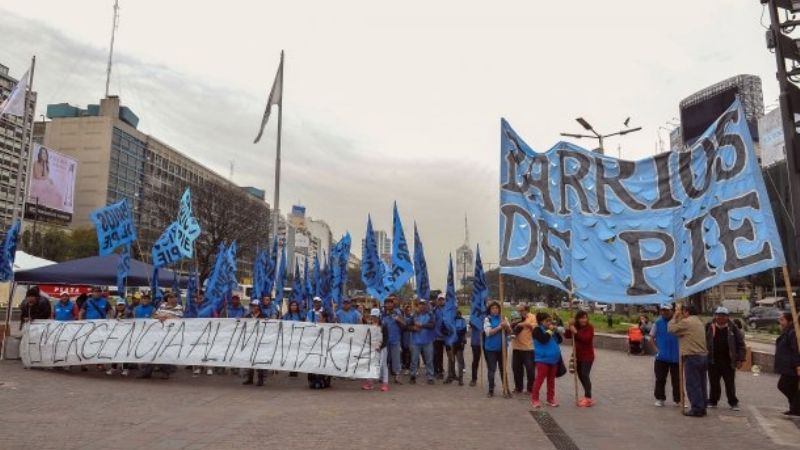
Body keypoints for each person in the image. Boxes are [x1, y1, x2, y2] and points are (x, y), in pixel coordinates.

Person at [668, 303, 708, 417]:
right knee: (701, 384)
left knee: (693, 384)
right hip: (702, 356)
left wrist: (674, 317)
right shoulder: (699, 321)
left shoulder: (687, 322)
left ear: (687, 312)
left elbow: (671, 329)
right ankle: (702, 406)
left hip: (692, 356)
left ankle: (697, 408)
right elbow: (680, 333)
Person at [705, 306, 745, 411]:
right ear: (715, 316)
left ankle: (733, 402)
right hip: (713, 360)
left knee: (730, 383)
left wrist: (740, 359)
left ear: (727, 317)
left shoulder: (733, 328)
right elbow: (703, 341)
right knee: (714, 383)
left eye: (723, 316)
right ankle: (713, 401)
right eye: (718, 315)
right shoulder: (709, 326)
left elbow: (741, 345)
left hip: (728, 361)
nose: (720, 318)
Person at [137, 292, 183, 379]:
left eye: (173, 297)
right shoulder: (162, 305)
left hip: (169, 333)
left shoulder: (179, 307)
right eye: (169, 297)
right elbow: (154, 315)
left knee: (164, 353)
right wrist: (161, 317)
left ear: (176, 298)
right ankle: (146, 372)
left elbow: (178, 318)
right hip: (157, 332)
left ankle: (165, 372)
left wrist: (166, 317)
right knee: (151, 351)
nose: (171, 299)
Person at [650, 304, 680, 407]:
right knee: (660, 378)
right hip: (661, 357)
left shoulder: (678, 321)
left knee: (677, 379)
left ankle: (678, 400)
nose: (664, 312)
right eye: (662, 310)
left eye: (666, 310)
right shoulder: (657, 322)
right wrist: (656, 350)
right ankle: (660, 398)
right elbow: (651, 337)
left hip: (676, 356)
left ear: (671, 310)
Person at [531, 311, 563, 408]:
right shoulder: (537, 330)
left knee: (551, 380)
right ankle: (535, 399)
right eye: (547, 321)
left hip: (553, 359)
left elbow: (560, 340)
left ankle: (550, 399)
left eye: (550, 321)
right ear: (541, 321)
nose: (549, 323)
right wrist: (550, 331)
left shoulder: (550, 330)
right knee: (539, 380)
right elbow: (543, 340)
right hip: (542, 359)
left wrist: (556, 331)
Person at [565, 310, 595, 407]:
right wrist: (569, 326)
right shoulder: (576, 327)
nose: (584, 320)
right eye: (582, 318)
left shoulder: (589, 328)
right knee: (580, 375)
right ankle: (586, 396)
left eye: (585, 318)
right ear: (577, 319)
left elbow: (586, 339)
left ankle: (588, 398)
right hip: (578, 356)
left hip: (588, 356)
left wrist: (575, 332)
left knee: (585, 375)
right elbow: (567, 335)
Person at [483, 301, 512, 397]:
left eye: (496, 308)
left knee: (503, 369)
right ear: (490, 310)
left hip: (502, 348)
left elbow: (509, 332)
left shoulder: (503, 318)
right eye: (493, 308)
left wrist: (506, 326)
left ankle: (506, 388)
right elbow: (488, 332)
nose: (495, 310)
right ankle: (491, 390)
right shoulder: (488, 319)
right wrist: (500, 327)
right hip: (491, 349)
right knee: (492, 369)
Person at [775, 312, 799, 417]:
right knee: (791, 388)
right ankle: (794, 409)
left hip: (791, 367)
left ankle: (796, 407)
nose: (779, 322)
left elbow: (795, 351)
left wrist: (798, 365)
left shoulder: (793, 333)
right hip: (787, 366)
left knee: (783, 386)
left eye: (782, 320)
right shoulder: (787, 331)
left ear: (789, 321)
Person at [510, 304, 537, 394]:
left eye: (521, 310)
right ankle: (518, 387)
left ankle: (530, 388)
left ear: (526, 310)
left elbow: (536, 327)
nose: (519, 312)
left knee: (530, 369)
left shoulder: (532, 317)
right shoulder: (516, 318)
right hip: (516, 347)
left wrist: (526, 323)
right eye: (518, 310)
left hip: (528, 348)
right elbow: (511, 328)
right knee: (516, 368)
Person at [363, 308, 391, 392]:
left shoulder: (384, 326)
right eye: (373, 316)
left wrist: (380, 347)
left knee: (383, 365)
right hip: (372, 348)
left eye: (375, 316)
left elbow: (386, 339)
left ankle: (385, 383)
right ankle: (370, 383)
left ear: (379, 316)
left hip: (382, 348)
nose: (374, 318)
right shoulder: (369, 325)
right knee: (370, 364)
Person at [409, 300, 436, 385]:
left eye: (423, 304)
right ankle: (412, 376)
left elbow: (432, 325)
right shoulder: (414, 315)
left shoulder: (430, 314)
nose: (422, 306)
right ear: (418, 305)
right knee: (414, 360)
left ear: (426, 306)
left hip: (427, 341)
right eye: (420, 304)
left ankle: (430, 377)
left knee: (429, 360)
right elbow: (407, 325)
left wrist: (422, 325)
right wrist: (413, 328)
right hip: (415, 341)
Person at [242, 299, 267, 386]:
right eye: (251, 306)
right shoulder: (247, 316)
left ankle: (260, 379)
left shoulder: (263, 316)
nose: (252, 307)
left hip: (260, 341)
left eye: (254, 306)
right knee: (250, 359)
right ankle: (250, 378)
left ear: (258, 307)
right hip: (250, 341)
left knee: (259, 360)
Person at [191, 291, 216, 376]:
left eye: (200, 297)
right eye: (196, 297)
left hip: (208, 331)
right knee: (197, 349)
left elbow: (216, 318)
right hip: (196, 332)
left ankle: (209, 367)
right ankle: (198, 367)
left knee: (208, 349)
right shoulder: (193, 307)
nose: (198, 299)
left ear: (204, 297)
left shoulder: (211, 306)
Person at [381, 297, 405, 384]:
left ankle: (397, 376)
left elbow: (404, 324)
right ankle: (382, 376)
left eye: (390, 303)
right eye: (387, 303)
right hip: (385, 340)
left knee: (396, 359)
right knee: (384, 359)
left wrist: (398, 320)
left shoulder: (397, 312)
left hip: (395, 339)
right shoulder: (382, 314)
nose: (388, 304)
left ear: (392, 304)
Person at [106, 298, 132, 376]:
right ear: (116, 305)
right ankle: (113, 367)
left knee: (125, 351)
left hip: (126, 335)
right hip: (115, 335)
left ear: (124, 305)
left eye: (122, 305)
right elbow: (109, 322)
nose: (120, 306)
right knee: (114, 351)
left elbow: (132, 322)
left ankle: (125, 369)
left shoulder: (129, 313)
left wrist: (122, 319)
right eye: (119, 305)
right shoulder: (113, 313)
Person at [445, 310, 467, 386]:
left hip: (458, 343)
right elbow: (443, 329)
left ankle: (460, 379)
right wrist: (447, 331)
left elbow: (463, 331)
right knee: (450, 361)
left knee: (459, 361)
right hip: (449, 343)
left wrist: (455, 332)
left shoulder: (462, 320)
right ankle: (450, 376)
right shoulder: (447, 320)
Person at [433, 293, 446, 380]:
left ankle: (451, 372)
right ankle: (439, 371)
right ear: (437, 300)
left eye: (442, 299)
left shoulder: (448, 309)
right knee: (438, 355)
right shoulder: (434, 310)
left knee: (450, 354)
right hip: (437, 336)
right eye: (440, 299)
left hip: (447, 336)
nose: (441, 301)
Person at [469, 312, 483, 387]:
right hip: (475, 342)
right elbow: (471, 323)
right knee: (475, 361)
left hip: (486, 342)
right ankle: (474, 379)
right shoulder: (474, 314)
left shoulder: (487, 315)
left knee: (489, 361)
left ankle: (491, 380)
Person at [401, 303, 414, 373]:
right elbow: (403, 327)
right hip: (404, 337)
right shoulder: (402, 317)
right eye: (407, 310)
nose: (408, 311)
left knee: (412, 353)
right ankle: (407, 367)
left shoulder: (413, 317)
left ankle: (413, 368)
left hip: (411, 337)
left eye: (409, 310)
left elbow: (412, 327)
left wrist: (407, 327)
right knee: (405, 353)